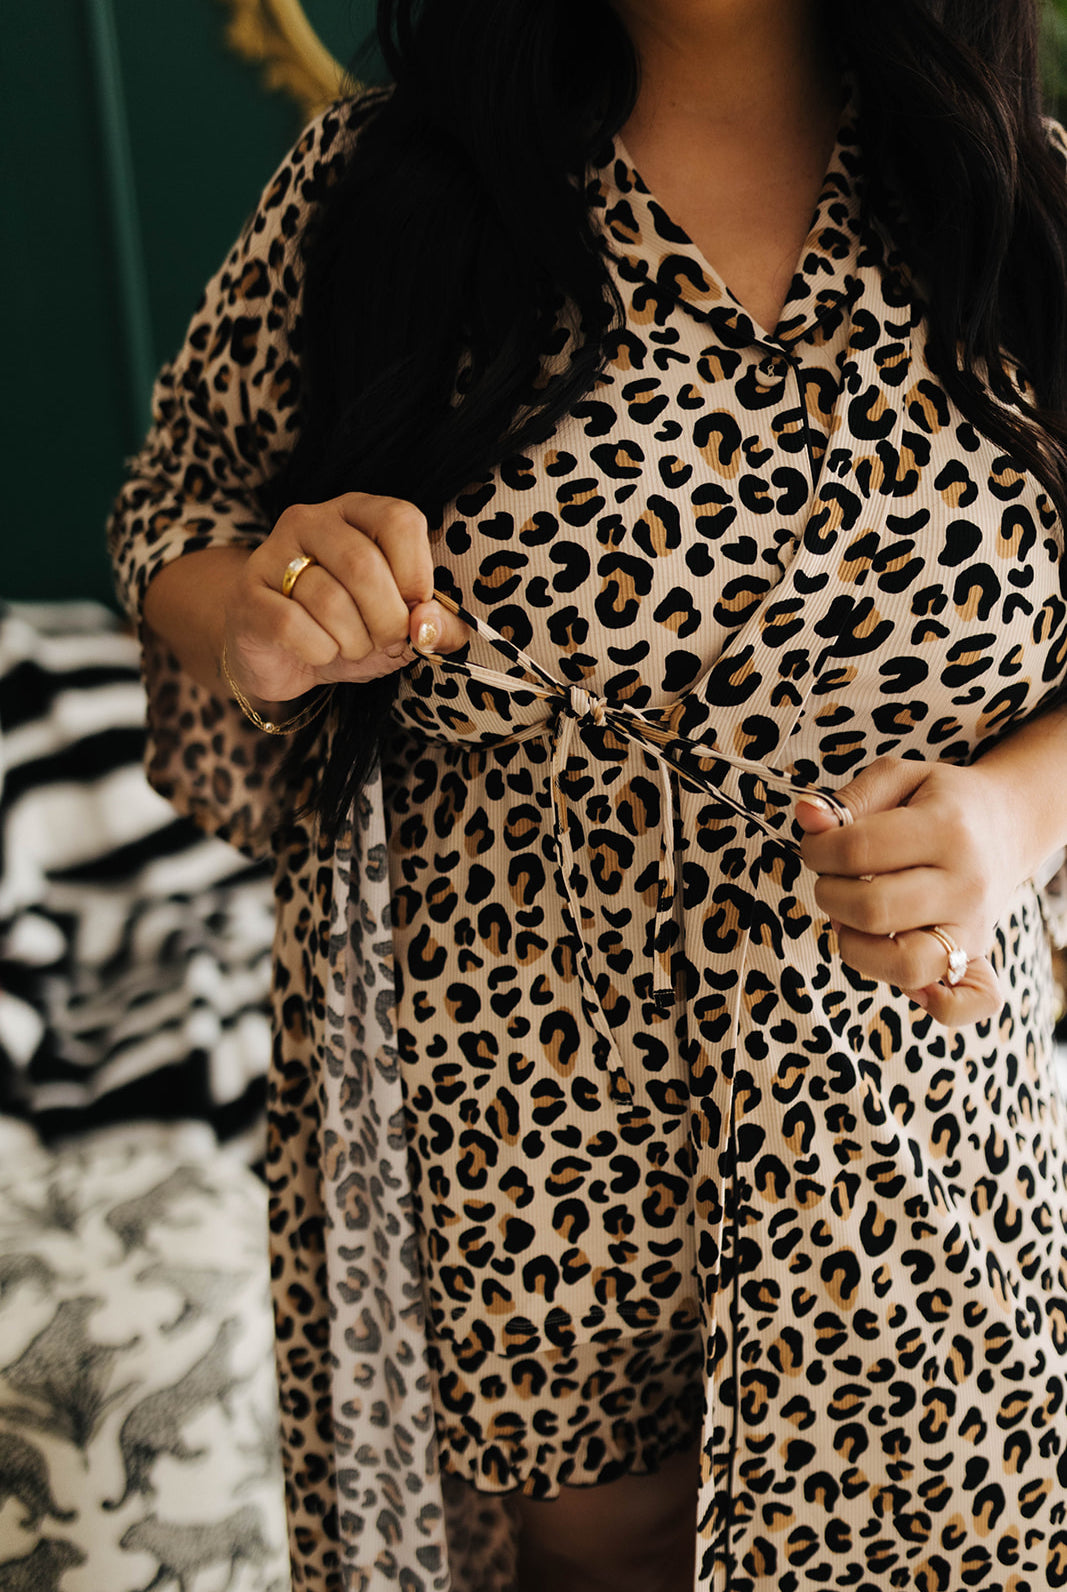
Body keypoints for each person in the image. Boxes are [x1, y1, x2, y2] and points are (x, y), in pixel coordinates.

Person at [109, 0, 1067, 1587]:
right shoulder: (384, 187)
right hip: (522, 1077)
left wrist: (1014, 821)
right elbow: (176, 515)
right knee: (605, 1554)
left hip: (913, 1090)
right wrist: (265, 615)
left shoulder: (1016, 196)